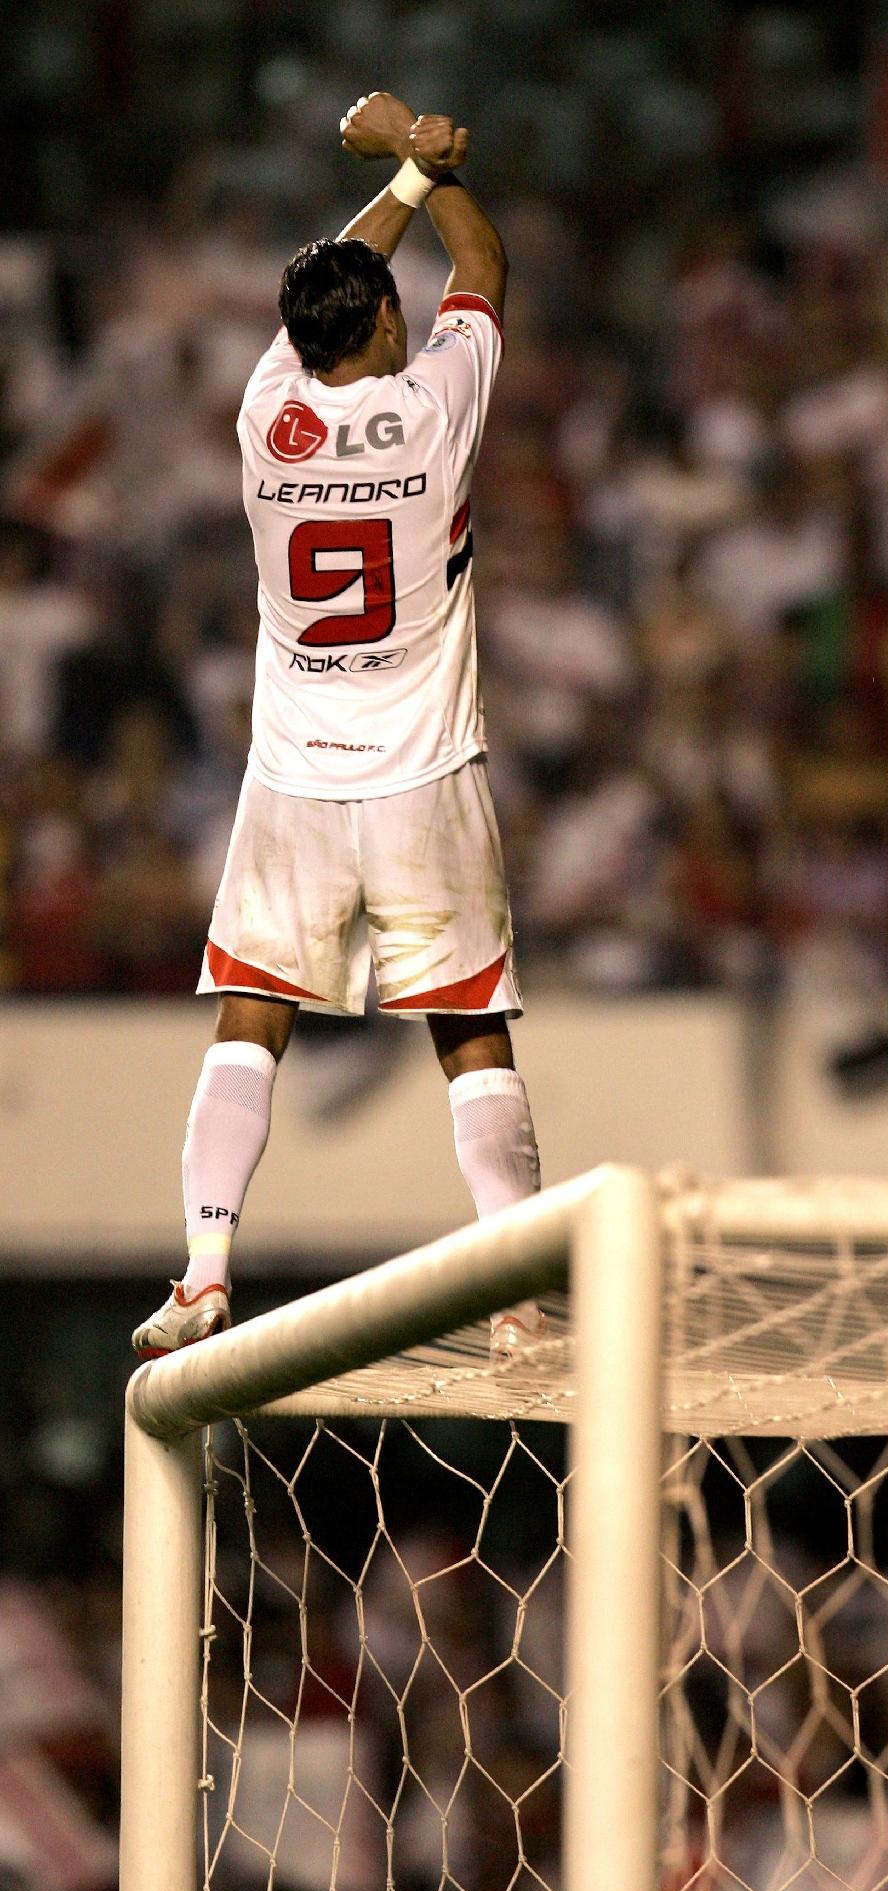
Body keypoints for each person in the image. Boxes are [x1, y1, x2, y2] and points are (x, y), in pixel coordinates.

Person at [133, 93, 542, 1362]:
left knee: (250, 1016)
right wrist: (427, 161)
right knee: (467, 1028)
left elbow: (326, 294)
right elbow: (485, 265)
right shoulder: (435, 410)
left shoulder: (266, 416)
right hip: (424, 774)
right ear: (382, 319)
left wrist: (396, 179)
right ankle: (517, 1290)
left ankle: (204, 1271)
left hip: (294, 781)